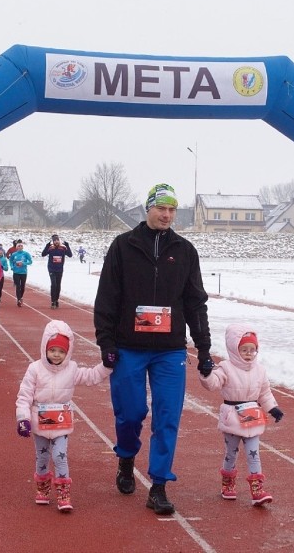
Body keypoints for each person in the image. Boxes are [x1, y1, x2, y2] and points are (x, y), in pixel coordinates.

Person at [94, 182, 212, 516]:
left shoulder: (185, 251)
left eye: (173, 210)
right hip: (129, 347)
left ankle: (159, 485)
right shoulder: (123, 246)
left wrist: (203, 347)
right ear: (148, 209)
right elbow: (107, 298)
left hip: (170, 351)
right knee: (130, 413)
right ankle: (126, 457)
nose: (167, 215)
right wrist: (106, 342)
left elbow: (195, 302)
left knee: (167, 417)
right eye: (161, 208)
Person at [15, 320, 113, 512]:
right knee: (42, 458)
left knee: (60, 456)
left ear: (67, 352)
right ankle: (42, 488)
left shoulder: (72, 369)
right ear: (45, 348)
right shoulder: (34, 369)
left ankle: (63, 493)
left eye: (61, 351)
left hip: (61, 424)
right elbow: (24, 396)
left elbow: (91, 376)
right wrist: (23, 419)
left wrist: (107, 366)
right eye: (53, 350)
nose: (57, 355)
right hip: (39, 423)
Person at [197, 326, 284, 506]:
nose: (248, 354)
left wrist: (273, 408)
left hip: (252, 417)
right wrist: (206, 373)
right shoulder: (225, 367)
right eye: (244, 350)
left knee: (254, 453)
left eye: (252, 350)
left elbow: (265, 393)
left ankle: (257, 490)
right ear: (234, 349)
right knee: (231, 453)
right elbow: (213, 383)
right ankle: (228, 484)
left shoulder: (260, 370)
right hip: (232, 417)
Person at [42, 234, 72, 309]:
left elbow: (70, 255)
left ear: (59, 241)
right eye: (54, 240)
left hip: (60, 269)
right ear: (53, 241)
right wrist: (47, 246)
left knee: (58, 285)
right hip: (51, 269)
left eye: (57, 240)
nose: (56, 242)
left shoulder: (63, 248)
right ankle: (53, 301)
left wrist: (68, 246)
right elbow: (43, 254)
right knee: (53, 284)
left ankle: (56, 300)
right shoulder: (50, 248)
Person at [8, 240, 33, 307]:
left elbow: (30, 262)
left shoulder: (26, 254)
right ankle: (18, 299)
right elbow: (10, 261)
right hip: (16, 272)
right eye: (19, 246)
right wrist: (12, 266)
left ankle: (21, 297)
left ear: (23, 247)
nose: (20, 247)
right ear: (16, 247)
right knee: (18, 286)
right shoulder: (14, 254)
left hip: (23, 272)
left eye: (21, 246)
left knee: (22, 286)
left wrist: (24, 263)